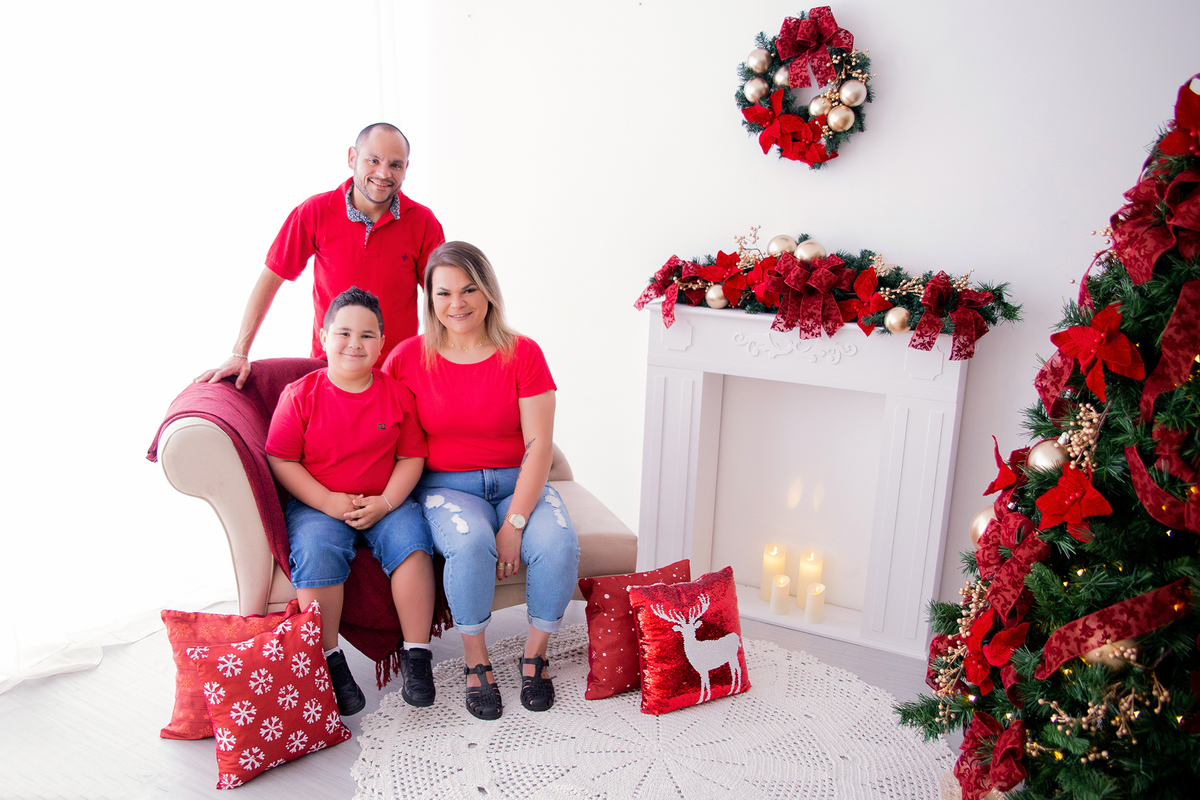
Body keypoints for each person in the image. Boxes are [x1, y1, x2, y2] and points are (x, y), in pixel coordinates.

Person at [381, 242, 580, 720]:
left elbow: (539, 447)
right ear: (429, 299)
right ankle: (477, 661)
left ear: (488, 291)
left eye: (469, 289)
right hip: (447, 486)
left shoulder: (523, 353)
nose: (457, 303)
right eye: (443, 293)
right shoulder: (408, 358)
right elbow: (378, 427)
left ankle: (535, 657)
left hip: (519, 479)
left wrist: (514, 522)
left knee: (559, 544)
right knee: (470, 547)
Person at [266, 287, 437, 715]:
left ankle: (417, 656)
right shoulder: (300, 395)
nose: (354, 344)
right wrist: (325, 500)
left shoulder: (396, 394)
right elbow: (281, 458)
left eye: (367, 335)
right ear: (323, 338)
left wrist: (387, 501)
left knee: (414, 548)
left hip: (384, 499)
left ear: (382, 343)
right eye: (343, 333)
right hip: (319, 503)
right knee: (317, 553)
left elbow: (411, 456)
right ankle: (329, 660)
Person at [196, 123, 445, 389]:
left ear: (406, 168)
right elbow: (271, 279)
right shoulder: (314, 212)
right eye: (373, 160)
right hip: (330, 374)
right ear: (352, 157)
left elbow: (443, 297)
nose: (383, 173)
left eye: (395, 165)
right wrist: (239, 352)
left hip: (397, 377)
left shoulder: (423, 222)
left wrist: (448, 360)